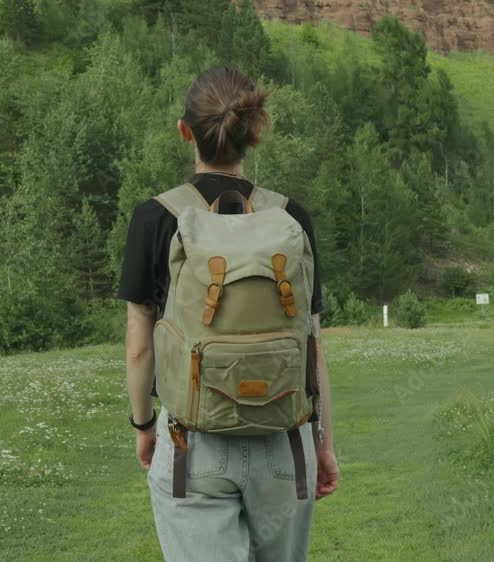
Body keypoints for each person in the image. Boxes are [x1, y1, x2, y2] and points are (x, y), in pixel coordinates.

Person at [118, 66, 339, 562]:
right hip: (285, 442)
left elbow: (139, 342)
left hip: (193, 444)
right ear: (255, 132)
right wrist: (322, 442)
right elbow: (312, 343)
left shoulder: (154, 218)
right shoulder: (290, 218)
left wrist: (143, 426)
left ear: (184, 130)